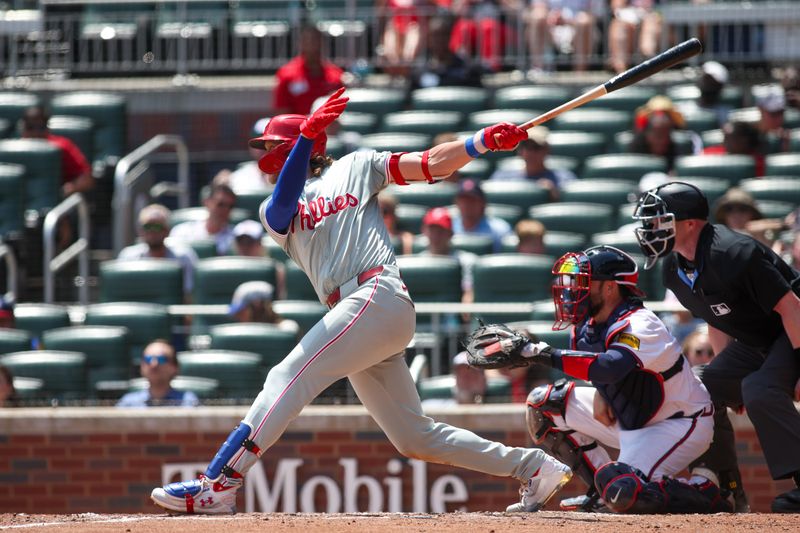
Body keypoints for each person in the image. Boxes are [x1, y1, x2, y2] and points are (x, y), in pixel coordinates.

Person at [150, 88, 572, 515]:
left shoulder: (356, 165)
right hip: (356, 312)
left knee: (286, 375)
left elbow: (429, 164)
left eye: (270, 145)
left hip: (376, 293)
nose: (263, 153)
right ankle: (534, 467)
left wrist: (480, 142)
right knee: (413, 437)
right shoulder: (273, 209)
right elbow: (282, 207)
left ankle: (219, 482)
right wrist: (305, 139)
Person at [467, 245, 729, 514]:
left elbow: (612, 366)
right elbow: (603, 371)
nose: (573, 290)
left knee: (625, 492)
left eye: (584, 282)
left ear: (610, 288)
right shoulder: (586, 326)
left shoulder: (641, 323)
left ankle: (703, 492)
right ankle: (599, 492)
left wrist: (538, 353)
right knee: (545, 404)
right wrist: (603, 394)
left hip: (677, 423)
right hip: (632, 416)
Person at [632, 180, 800, 513]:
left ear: (690, 223)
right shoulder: (673, 269)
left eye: (659, 220)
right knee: (701, 386)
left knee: (759, 388)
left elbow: (791, 307)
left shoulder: (733, 252)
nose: (651, 229)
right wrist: (727, 381)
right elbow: (716, 319)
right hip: (760, 338)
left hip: (794, 327)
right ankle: (721, 486)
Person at [118, 204, 198, 297]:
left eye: (157, 227)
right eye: (147, 227)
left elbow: (189, 295)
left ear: (167, 230)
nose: (152, 232)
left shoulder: (184, 257)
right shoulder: (127, 257)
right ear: (140, 231)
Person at [19, 105, 94, 199]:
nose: (35, 133)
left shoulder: (61, 146)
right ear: (23, 128)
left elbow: (87, 180)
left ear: (47, 128)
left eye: (40, 127)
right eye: (30, 128)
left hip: (54, 204)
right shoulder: (14, 150)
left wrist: (70, 188)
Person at [271, 25, 344, 116]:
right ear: (301, 43)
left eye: (315, 40)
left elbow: (341, 110)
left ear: (322, 43)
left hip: (328, 127)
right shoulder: (287, 75)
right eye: (307, 41)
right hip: (298, 127)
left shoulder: (336, 75)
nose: (312, 45)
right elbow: (282, 112)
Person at [489, 126, 576, 201]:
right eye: (526, 146)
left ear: (547, 150)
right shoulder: (502, 177)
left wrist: (554, 194)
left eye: (536, 147)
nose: (530, 152)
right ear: (520, 150)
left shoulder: (563, 178)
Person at [409, 14, 484, 91]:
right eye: (435, 36)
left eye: (443, 35)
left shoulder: (467, 68)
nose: (439, 41)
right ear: (429, 39)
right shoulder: (420, 71)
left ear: (450, 36)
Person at [420, 207, 477, 306]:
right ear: (424, 231)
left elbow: (469, 290)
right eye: (432, 230)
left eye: (440, 231)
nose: (436, 236)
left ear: (450, 234)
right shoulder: (417, 263)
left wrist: (468, 296)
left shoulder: (466, 261)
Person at [117, 340, 200, 407]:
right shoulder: (128, 403)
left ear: (174, 367)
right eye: (148, 359)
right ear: (141, 366)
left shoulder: (188, 402)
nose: (154, 364)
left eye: (161, 359)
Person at [526, 0, 596, 72]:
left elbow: (592, 13)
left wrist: (568, 20)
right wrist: (552, 18)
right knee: (538, 16)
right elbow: (538, 6)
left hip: (576, 27)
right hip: (549, 27)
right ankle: (538, 69)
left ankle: (580, 73)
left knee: (584, 21)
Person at [169, 183, 237, 256]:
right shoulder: (182, 232)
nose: (225, 210)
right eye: (220, 204)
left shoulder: (236, 237)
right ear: (207, 202)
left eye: (230, 206)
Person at [452, 178, 513, 253]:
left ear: (483, 203)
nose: (467, 205)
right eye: (463, 200)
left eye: (472, 200)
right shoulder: (448, 228)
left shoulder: (500, 230)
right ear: (456, 203)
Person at [607, 0, 662, 74]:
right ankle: (621, 70)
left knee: (650, 26)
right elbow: (617, 7)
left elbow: (662, 9)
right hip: (628, 19)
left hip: (653, 18)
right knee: (619, 27)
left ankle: (649, 63)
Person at [421, 351, 488, 408]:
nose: (465, 379)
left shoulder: (495, 412)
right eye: (461, 374)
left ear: (483, 380)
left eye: (472, 374)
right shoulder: (430, 408)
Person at [229, 281, 299, 334]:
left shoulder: (287, 328)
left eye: (241, 313)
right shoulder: (239, 334)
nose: (238, 318)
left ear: (257, 307)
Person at [228, 118, 274, 194]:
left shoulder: (292, 175)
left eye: (271, 143)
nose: (264, 147)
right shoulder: (237, 177)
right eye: (259, 143)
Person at [377, 191, 414, 255]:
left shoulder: (404, 237)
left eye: (384, 212)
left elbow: (407, 258)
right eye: (376, 212)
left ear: (393, 215)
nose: (380, 216)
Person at [755, 88, 790, 153]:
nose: (779, 118)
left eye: (781, 112)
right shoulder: (748, 138)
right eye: (773, 114)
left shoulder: (788, 138)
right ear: (761, 110)